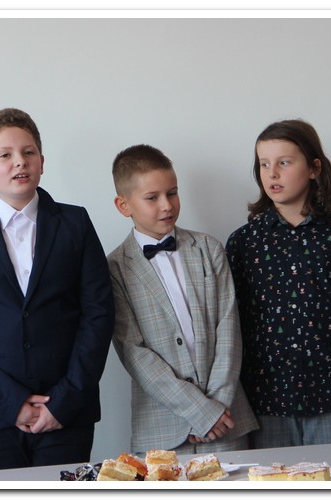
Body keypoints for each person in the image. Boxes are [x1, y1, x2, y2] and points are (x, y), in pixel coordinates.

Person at [0, 108, 115, 480]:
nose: (20, 162)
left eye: (28, 152)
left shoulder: (75, 223)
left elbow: (99, 313)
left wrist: (65, 400)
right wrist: (8, 402)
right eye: (5, 155)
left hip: (66, 411)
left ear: (42, 162)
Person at [225, 119, 331, 449]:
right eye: (264, 164)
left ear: (314, 168)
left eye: (284, 162)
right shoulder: (243, 243)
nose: (272, 174)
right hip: (265, 406)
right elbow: (232, 332)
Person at [107, 144, 258, 455]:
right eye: (152, 198)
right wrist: (199, 412)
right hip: (162, 432)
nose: (167, 206)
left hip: (226, 421)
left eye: (172, 193)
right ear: (123, 205)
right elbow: (134, 353)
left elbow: (229, 329)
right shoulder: (115, 268)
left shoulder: (209, 249)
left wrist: (215, 408)